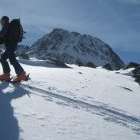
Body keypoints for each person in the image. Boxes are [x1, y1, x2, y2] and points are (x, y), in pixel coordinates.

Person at [0, 16, 28, 82]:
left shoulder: (6, 25)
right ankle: (20, 74)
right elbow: (3, 39)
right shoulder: (10, 27)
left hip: (10, 46)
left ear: (4, 20)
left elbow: (1, 35)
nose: (1, 23)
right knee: (11, 59)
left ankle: (8, 75)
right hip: (13, 45)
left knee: (3, 58)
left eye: (1, 21)